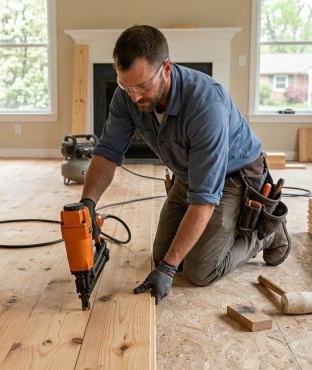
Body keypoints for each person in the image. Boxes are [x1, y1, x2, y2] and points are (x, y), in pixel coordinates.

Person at [78, 25, 290, 304]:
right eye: (125, 86)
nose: (135, 97)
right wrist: (88, 204)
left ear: (167, 68)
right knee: (162, 255)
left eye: (143, 85)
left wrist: (167, 269)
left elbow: (205, 197)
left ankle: (265, 234)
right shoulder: (128, 95)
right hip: (188, 173)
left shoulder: (205, 105)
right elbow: (107, 153)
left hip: (234, 178)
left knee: (200, 270)